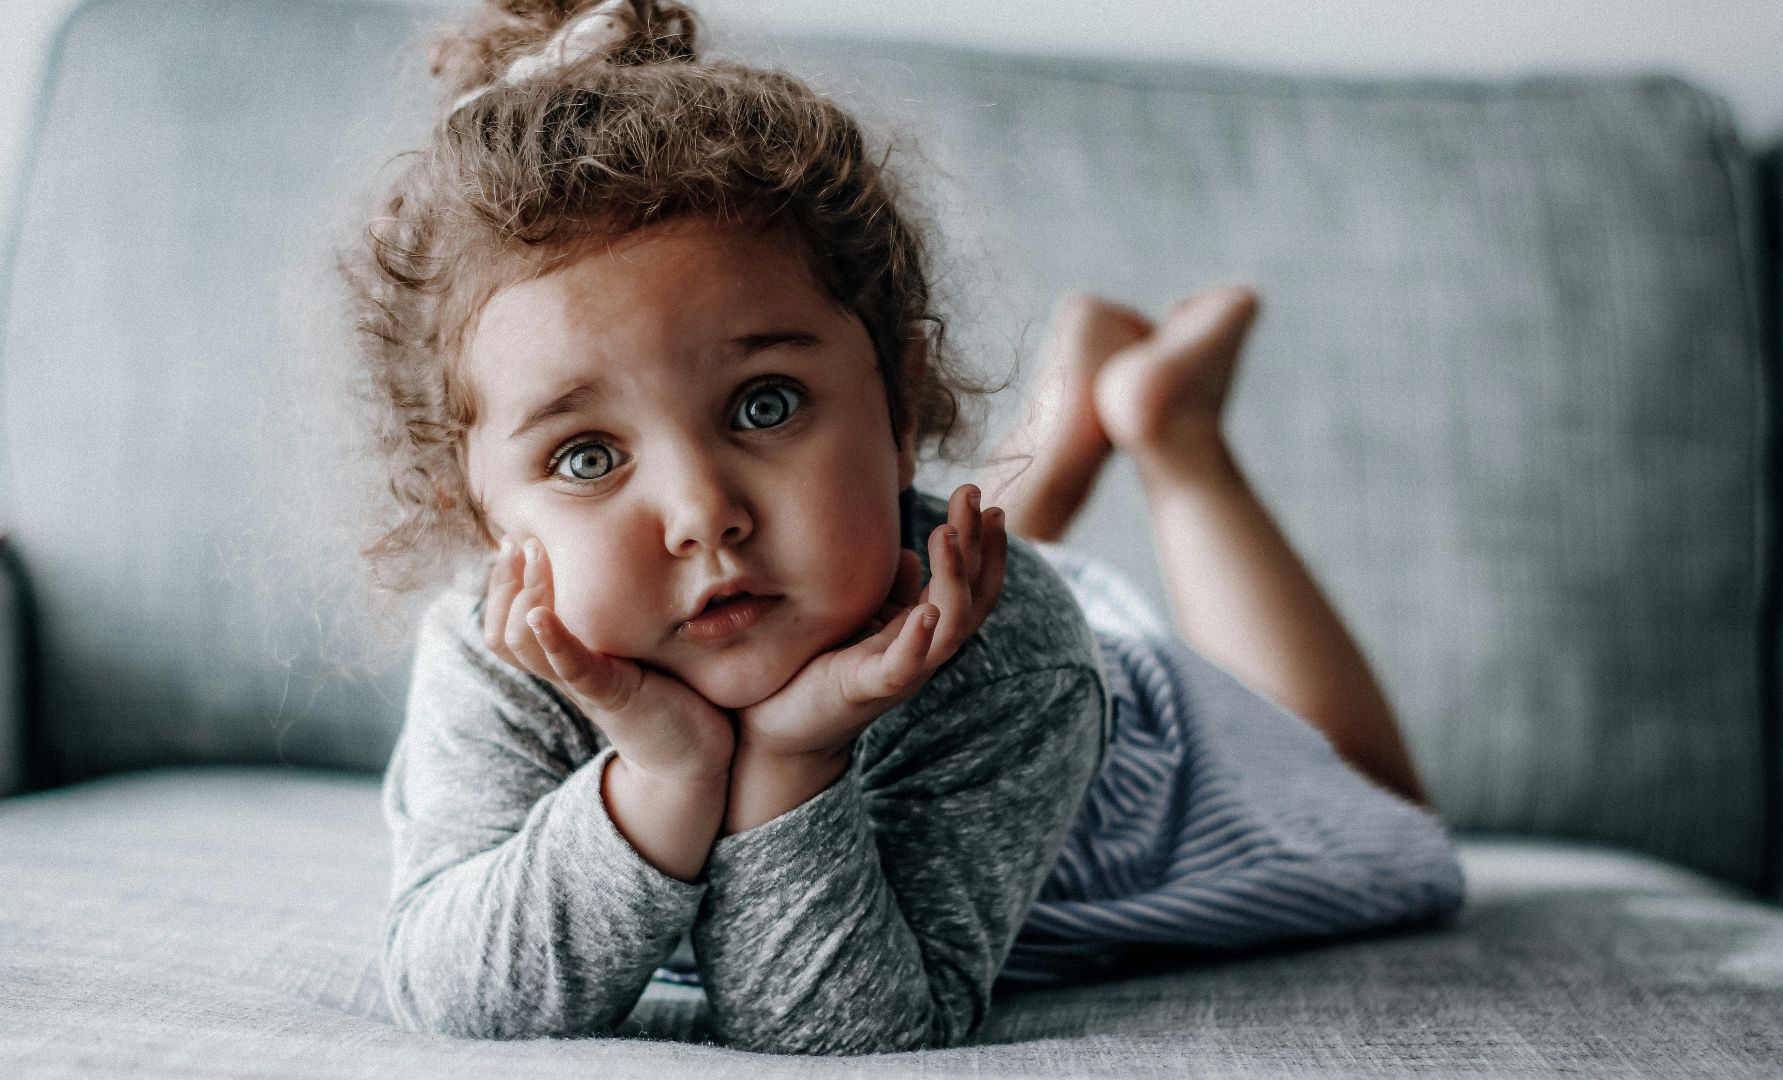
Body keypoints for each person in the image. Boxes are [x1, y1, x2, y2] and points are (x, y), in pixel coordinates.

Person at [343, 0, 1464, 1056]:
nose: (702, 515)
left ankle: (1178, 442)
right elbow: (457, 990)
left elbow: (841, 1025)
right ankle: (1067, 428)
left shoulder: (1018, 659)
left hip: (1141, 769)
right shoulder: (497, 655)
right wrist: (661, 777)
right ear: (477, 512)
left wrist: (793, 754)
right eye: (587, 457)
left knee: (1384, 809)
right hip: (905, 594)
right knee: (883, 568)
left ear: (901, 397)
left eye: (764, 404)